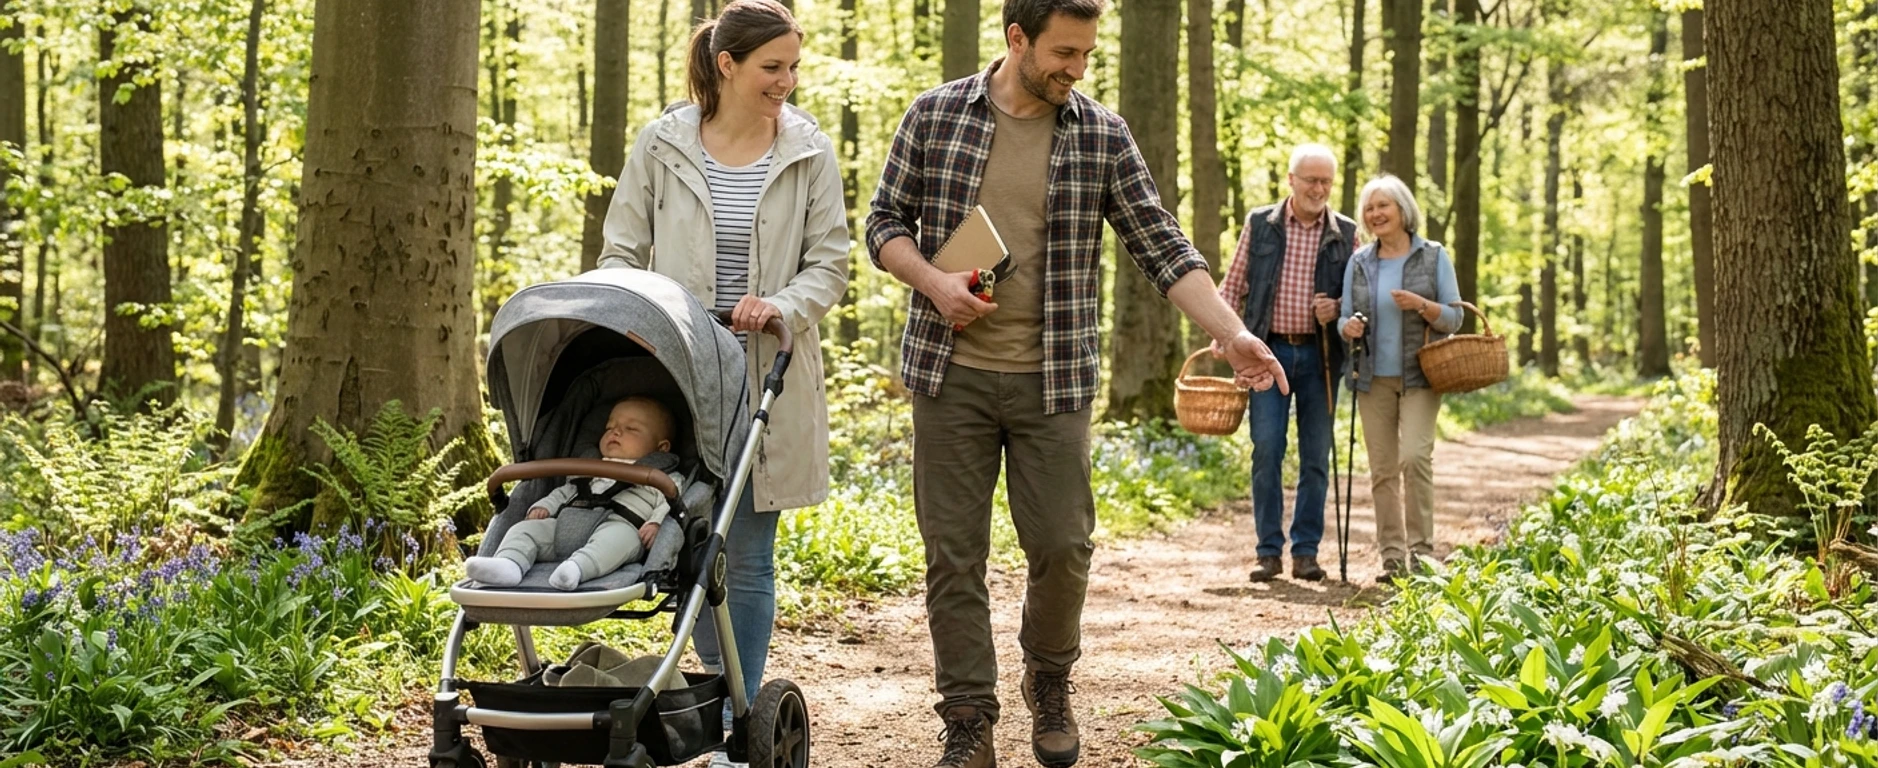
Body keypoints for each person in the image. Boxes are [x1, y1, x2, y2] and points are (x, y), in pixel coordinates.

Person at [865, 0, 1288, 762]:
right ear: (1016, 37)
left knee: (1063, 547)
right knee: (953, 554)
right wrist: (932, 282)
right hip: (948, 375)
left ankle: (1048, 677)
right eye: (1064, 52)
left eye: (1088, 54)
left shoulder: (1100, 132)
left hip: (1051, 383)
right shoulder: (934, 115)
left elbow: (1162, 246)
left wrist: (1234, 333)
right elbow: (883, 224)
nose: (1076, 68)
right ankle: (967, 719)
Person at [597, 1, 850, 764]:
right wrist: (646, 319)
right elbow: (618, 250)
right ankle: (712, 690)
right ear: (727, 65)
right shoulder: (664, 144)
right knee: (691, 551)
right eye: (772, 67)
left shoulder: (808, 150)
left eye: (793, 67)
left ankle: (741, 720)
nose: (787, 81)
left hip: (766, 368)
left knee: (749, 551)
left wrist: (781, 306)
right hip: (679, 366)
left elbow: (830, 262)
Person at [1216, 144, 1357, 583]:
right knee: (1267, 449)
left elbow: (1358, 296)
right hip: (1268, 353)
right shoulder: (1262, 224)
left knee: (1316, 455)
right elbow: (1233, 284)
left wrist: (1336, 309)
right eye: (1311, 179)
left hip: (1321, 358)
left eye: (1326, 181)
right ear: (1291, 180)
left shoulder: (1346, 232)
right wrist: (1223, 333)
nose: (1319, 188)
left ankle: (1307, 552)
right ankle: (1268, 552)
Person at [1337, 175, 1463, 584]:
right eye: (1369, 208)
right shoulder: (1359, 261)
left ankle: (1421, 555)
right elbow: (1343, 317)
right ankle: (1392, 557)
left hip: (1420, 375)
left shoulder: (1433, 255)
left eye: (1383, 206)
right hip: (1372, 377)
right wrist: (1348, 328)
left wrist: (1422, 306)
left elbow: (1455, 317)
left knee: (1414, 458)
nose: (1376, 214)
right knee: (1383, 470)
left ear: (1403, 210)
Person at [465, 397, 681, 591]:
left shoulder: (661, 476)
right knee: (524, 530)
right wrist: (545, 506)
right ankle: (509, 564)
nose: (615, 432)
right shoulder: (588, 467)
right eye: (609, 427)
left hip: (619, 526)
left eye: (631, 428)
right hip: (566, 525)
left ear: (661, 447)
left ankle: (576, 568)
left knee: (618, 541)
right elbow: (566, 491)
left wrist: (656, 523)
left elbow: (672, 504)